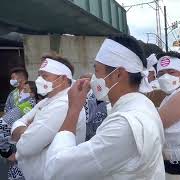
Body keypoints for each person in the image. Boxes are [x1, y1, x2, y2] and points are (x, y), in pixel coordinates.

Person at [44, 34, 165, 180]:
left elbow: (56, 170)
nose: (92, 79)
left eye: (97, 71)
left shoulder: (124, 125)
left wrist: (73, 109)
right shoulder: (144, 105)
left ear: (119, 74)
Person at [10, 55, 86, 180]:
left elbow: (26, 147)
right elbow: (17, 123)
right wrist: (28, 129)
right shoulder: (46, 101)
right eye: (39, 75)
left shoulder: (63, 104)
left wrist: (26, 129)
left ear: (63, 79)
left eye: (45, 76)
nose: (39, 79)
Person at [0, 81, 38, 180]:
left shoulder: (26, 105)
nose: (22, 92)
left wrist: (5, 152)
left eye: (25, 90)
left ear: (34, 93)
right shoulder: (28, 106)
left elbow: (2, 127)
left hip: (24, 163)